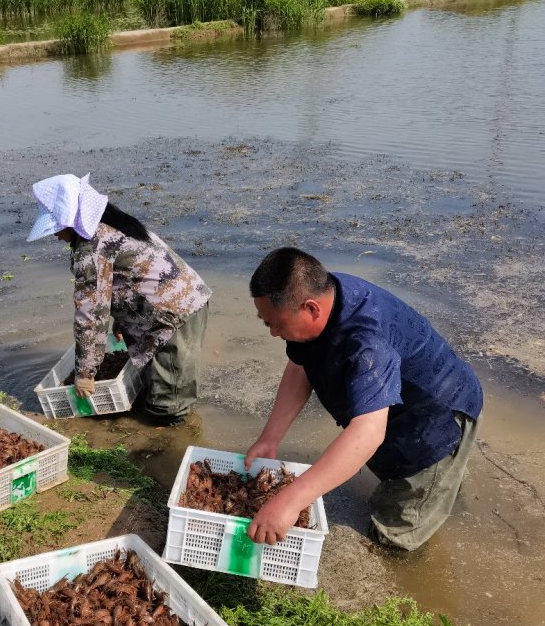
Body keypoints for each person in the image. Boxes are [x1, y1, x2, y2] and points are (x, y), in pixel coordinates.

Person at [245, 247, 483, 551]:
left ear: (311, 308)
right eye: (267, 323)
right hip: (394, 409)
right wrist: (270, 437)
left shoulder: (367, 344)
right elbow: (301, 365)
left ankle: (422, 511)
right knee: (387, 464)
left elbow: (367, 433)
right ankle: (440, 489)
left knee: (395, 531)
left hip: (435, 417)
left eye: (275, 323)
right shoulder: (327, 294)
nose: (273, 333)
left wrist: (291, 501)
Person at [27, 174, 211, 424]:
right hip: (182, 301)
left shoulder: (92, 247)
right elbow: (129, 281)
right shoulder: (112, 224)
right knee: (161, 382)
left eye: (56, 227)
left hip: (171, 318)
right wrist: (121, 324)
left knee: (168, 406)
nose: (55, 235)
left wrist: (85, 373)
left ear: (70, 220)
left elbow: (90, 315)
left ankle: (167, 446)